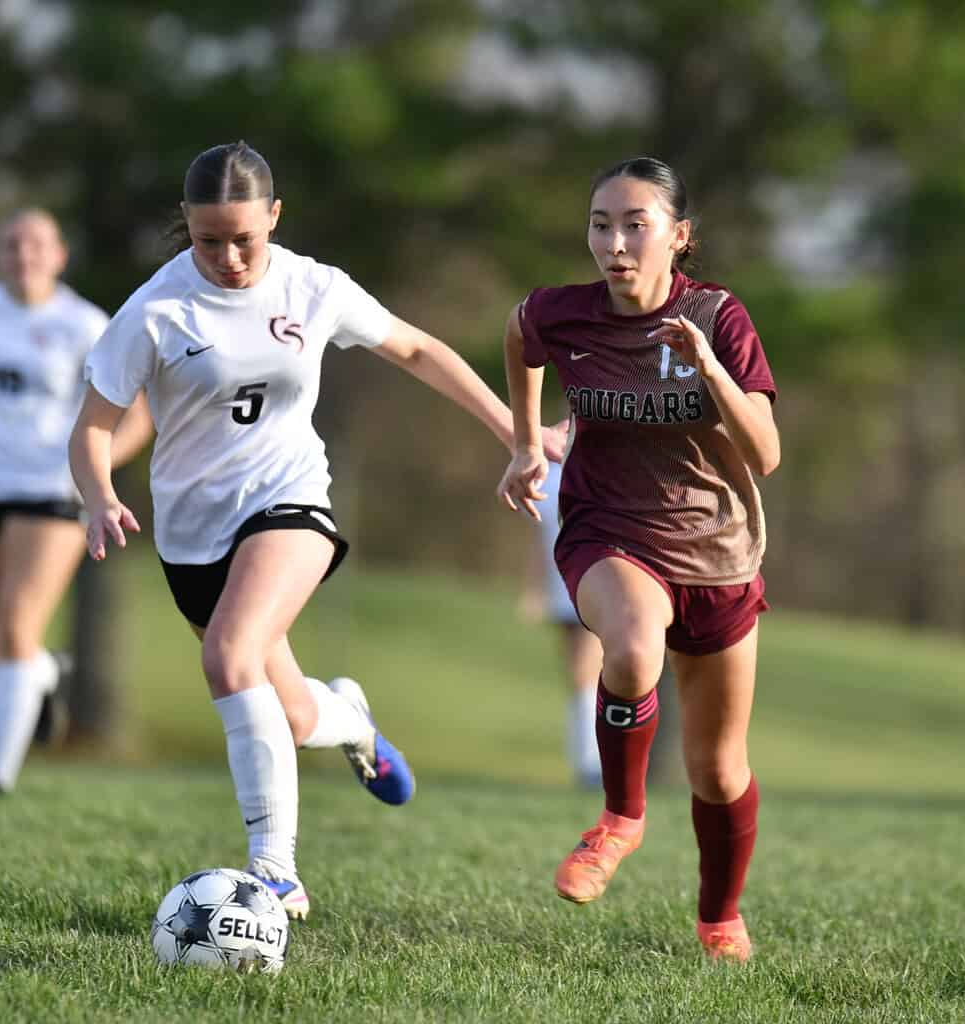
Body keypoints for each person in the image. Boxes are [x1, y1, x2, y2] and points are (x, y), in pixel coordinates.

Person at [70, 141, 566, 921]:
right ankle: (352, 720)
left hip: (289, 500)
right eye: (208, 240)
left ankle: (274, 873)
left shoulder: (313, 286)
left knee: (228, 655)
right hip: (193, 535)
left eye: (246, 238)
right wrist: (98, 495)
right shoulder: (156, 310)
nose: (229, 256)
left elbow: (416, 348)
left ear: (274, 217)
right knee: (291, 713)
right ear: (186, 227)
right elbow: (92, 428)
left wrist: (518, 435)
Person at [497, 156, 780, 963]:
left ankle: (719, 917)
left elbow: (766, 453)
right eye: (599, 224)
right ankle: (620, 819)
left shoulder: (719, 317)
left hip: (720, 552)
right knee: (628, 645)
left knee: (720, 771)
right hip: (608, 531)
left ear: (679, 236)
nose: (614, 243)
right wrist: (528, 442)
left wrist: (710, 370)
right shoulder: (568, 314)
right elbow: (519, 335)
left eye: (635, 224)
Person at [0, 209, 153, 793]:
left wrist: (96, 468)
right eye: (12, 246)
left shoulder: (85, 324)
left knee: (19, 624)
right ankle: (45, 673)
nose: (24, 256)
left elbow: (139, 413)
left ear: (59, 256)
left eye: (36, 246)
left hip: (51, 489)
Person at [529, 457, 604, 787]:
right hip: (560, 589)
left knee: (589, 672)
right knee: (578, 678)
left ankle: (595, 764)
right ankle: (586, 762)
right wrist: (533, 589)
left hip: (596, 583)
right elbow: (538, 537)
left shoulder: (604, 463)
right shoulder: (547, 473)